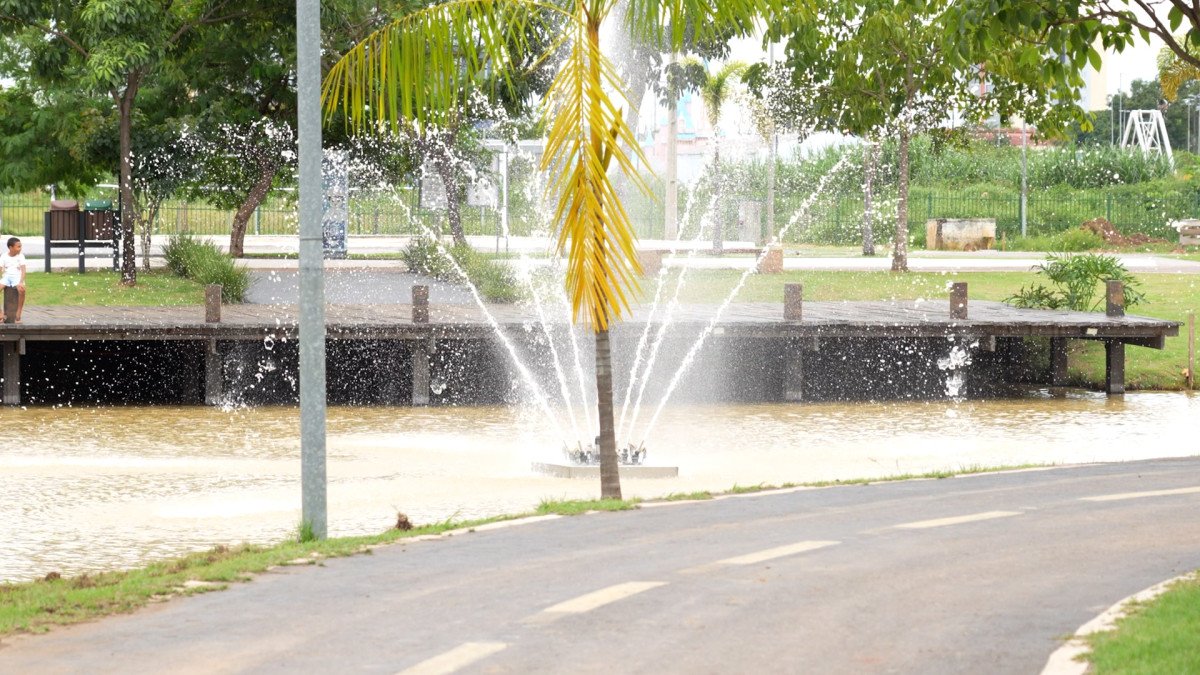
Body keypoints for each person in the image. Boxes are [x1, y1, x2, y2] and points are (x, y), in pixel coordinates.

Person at [1, 236, 27, 323]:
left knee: (22, 290)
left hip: (17, 276)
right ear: (11, 247)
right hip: (7, 276)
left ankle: (18, 313)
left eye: (20, 246)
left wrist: (21, 282)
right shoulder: (4, 256)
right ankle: (1, 313)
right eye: (18, 246)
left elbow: (23, 270)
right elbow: (0, 268)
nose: (20, 248)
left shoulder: (21, 256)